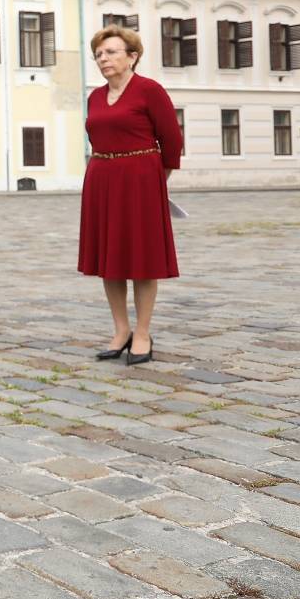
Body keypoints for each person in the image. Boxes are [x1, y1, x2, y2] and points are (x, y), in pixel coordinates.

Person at [78, 25, 182, 365]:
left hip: (140, 182)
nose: (103, 59)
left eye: (110, 52)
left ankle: (142, 332)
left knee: (141, 259)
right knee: (110, 260)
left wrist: (153, 180)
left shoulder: (149, 90)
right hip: (101, 179)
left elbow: (171, 142)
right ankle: (120, 329)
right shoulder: (95, 96)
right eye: (98, 54)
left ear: (132, 56)